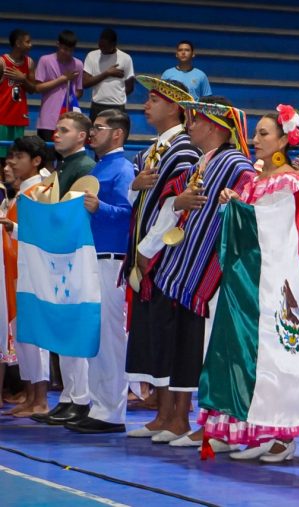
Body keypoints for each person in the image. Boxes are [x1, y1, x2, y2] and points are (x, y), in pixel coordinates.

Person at [194, 106, 299, 460]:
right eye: (255, 133)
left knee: (272, 357)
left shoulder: (292, 182)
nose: (255, 140)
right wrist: (233, 205)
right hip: (244, 281)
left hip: (273, 283)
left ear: (284, 140)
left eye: (264, 134)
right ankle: (233, 428)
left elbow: (289, 232)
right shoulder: (253, 181)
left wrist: (243, 210)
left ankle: (279, 435)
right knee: (235, 352)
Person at [129, 96, 253, 444]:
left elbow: (241, 214)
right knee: (177, 342)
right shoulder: (202, 163)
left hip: (212, 272)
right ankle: (171, 417)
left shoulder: (234, 165)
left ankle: (201, 424)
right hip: (183, 265)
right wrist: (175, 208)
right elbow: (173, 206)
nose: (189, 126)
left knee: (201, 347)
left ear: (214, 126)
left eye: (195, 121)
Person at [123, 77, 200, 436]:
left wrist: (148, 249)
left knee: (169, 332)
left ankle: (174, 415)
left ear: (174, 107)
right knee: (154, 332)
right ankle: (162, 413)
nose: (146, 105)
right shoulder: (151, 151)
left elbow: (175, 207)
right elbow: (140, 203)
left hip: (168, 254)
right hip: (147, 250)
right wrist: (133, 186)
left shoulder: (183, 150)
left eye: (154, 100)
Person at [65, 109, 133, 434]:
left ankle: (112, 412)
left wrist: (99, 207)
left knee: (110, 337)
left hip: (111, 260)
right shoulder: (101, 166)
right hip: (93, 257)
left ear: (117, 134)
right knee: (95, 335)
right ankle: (98, 405)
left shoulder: (123, 168)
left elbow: (131, 214)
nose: (92, 132)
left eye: (99, 128)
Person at [29, 111, 95, 426]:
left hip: (75, 255)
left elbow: (70, 213)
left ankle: (80, 398)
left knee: (72, 326)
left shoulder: (84, 167)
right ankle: (69, 395)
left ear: (82, 136)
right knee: (62, 326)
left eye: (64, 130)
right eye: (55, 129)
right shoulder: (65, 166)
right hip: (61, 254)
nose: (56, 134)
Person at [0, 136, 48, 418]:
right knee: (22, 338)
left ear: (36, 161)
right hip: (15, 271)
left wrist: (12, 227)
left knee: (35, 338)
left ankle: (40, 399)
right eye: (11, 156)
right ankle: (30, 397)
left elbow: (44, 235)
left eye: (19, 157)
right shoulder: (21, 192)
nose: (12, 162)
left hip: (32, 273)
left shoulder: (42, 191)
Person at [34, 30, 83, 142]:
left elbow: (79, 91)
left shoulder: (78, 64)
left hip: (68, 120)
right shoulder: (45, 60)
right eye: (65, 49)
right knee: (47, 151)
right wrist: (62, 79)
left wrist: (70, 99)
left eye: (70, 50)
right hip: (47, 120)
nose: (67, 53)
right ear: (58, 44)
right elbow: (38, 88)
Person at [82, 28, 135, 122]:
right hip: (97, 105)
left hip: (117, 106)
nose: (102, 49)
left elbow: (130, 86)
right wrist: (107, 73)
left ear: (114, 44)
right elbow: (85, 83)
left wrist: (117, 96)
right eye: (100, 45)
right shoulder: (91, 56)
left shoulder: (125, 58)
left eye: (105, 46)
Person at [1, 29, 36, 163]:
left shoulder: (29, 63)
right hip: (2, 114)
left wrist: (23, 79)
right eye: (27, 42)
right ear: (18, 43)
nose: (30, 45)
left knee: (15, 155)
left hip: (19, 115)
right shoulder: (2, 62)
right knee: (1, 156)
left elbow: (32, 89)